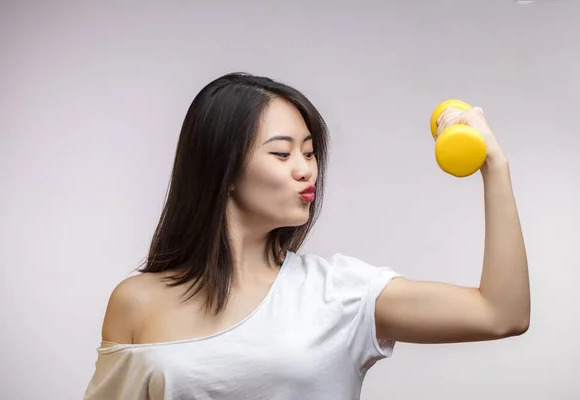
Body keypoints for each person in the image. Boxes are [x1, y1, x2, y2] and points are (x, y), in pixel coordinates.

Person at [83, 72, 530, 400]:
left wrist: (496, 168)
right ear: (223, 169)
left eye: (310, 152)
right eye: (281, 153)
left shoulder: (340, 294)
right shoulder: (136, 301)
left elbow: (501, 314)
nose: (306, 168)